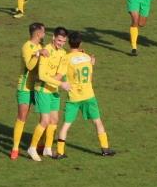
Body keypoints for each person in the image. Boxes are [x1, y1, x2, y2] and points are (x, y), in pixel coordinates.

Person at [54, 31, 115, 159]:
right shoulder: (87, 57)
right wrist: (92, 64)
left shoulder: (66, 58)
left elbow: (59, 76)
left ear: (68, 43)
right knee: (97, 122)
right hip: (89, 95)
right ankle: (105, 149)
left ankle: (60, 152)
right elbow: (90, 79)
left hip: (74, 97)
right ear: (80, 43)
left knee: (66, 124)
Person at [27, 27, 70, 161]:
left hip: (53, 91)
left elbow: (61, 73)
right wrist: (60, 84)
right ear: (53, 38)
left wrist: (55, 82)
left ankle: (47, 148)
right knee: (45, 121)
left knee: (54, 120)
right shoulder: (46, 51)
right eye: (58, 40)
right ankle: (32, 148)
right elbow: (41, 75)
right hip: (43, 90)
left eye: (63, 41)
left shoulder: (63, 53)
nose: (61, 43)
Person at [11, 22, 47, 160]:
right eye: (43, 32)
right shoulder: (27, 47)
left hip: (37, 87)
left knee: (44, 116)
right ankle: (15, 148)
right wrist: (38, 54)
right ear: (38, 33)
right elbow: (30, 66)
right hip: (25, 87)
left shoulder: (39, 46)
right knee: (22, 117)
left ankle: (40, 145)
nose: (44, 34)